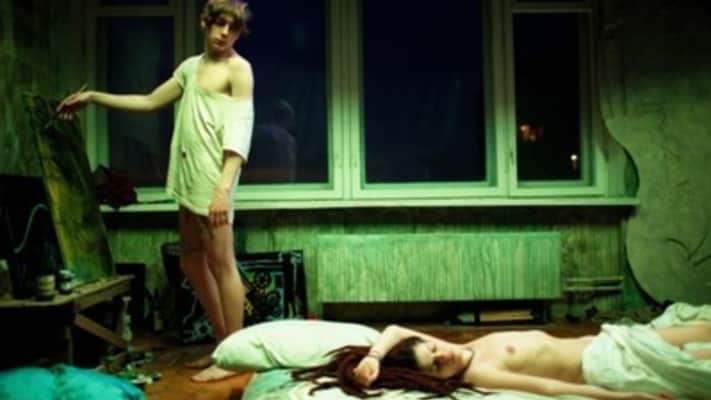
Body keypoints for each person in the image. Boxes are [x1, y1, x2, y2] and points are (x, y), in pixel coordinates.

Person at [56, 0, 254, 383]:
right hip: (188, 175)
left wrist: (223, 188)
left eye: (233, 28)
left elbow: (240, 132)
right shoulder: (190, 67)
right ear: (205, 23)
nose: (225, 33)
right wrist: (94, 97)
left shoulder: (239, 69)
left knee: (222, 264)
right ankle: (222, 346)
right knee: (191, 261)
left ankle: (236, 357)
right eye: (219, 24)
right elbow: (149, 102)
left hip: (214, 178)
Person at [294, 322, 711, 399]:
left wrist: (375, 356)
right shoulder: (477, 370)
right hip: (606, 365)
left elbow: (396, 330)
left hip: (610, 339)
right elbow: (549, 388)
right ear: (438, 379)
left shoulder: (457, 349)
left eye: (433, 349)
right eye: (437, 365)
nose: (443, 353)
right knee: (700, 360)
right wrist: (621, 398)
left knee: (703, 328)